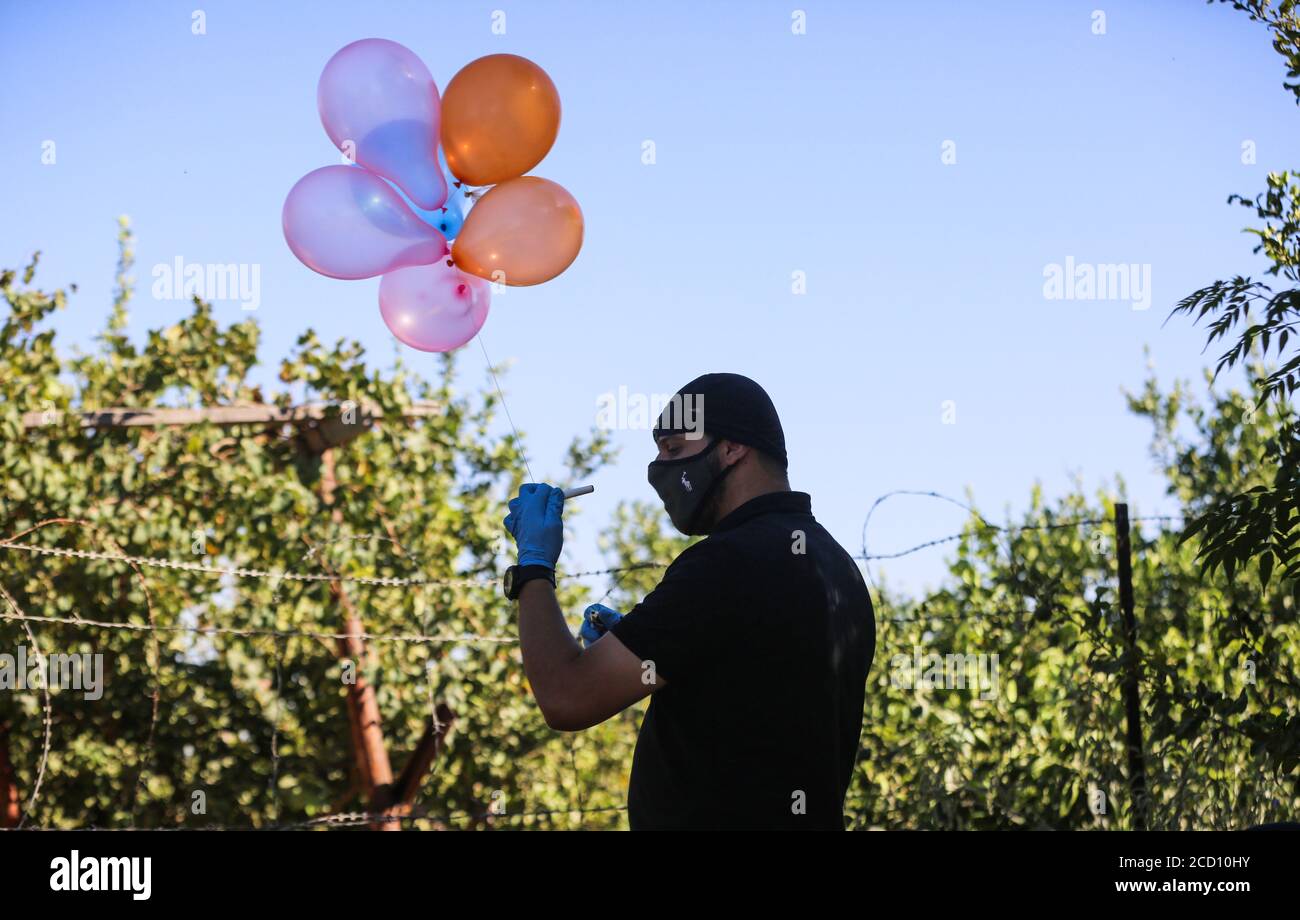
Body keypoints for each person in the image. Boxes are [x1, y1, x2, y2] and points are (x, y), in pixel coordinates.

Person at [501, 373, 875, 829]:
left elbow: (566, 697)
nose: (658, 470)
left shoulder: (728, 562)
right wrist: (649, 645)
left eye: (675, 449)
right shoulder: (836, 566)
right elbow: (754, 695)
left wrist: (533, 566)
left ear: (733, 447)